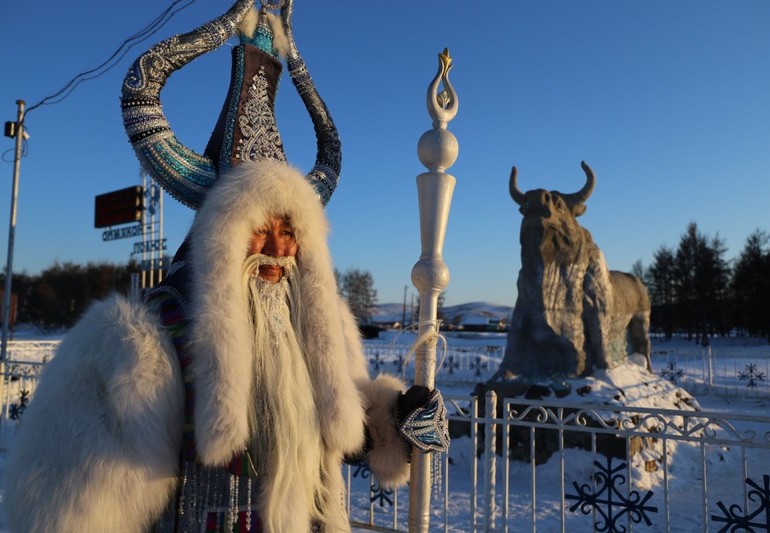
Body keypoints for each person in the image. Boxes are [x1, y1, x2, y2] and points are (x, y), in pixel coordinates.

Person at [4, 2, 447, 532]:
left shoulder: (320, 327)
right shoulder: (140, 340)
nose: (278, 250)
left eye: (290, 233)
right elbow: (72, 504)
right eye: (260, 227)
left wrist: (401, 422)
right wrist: (225, 26)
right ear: (223, 232)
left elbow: (347, 436)